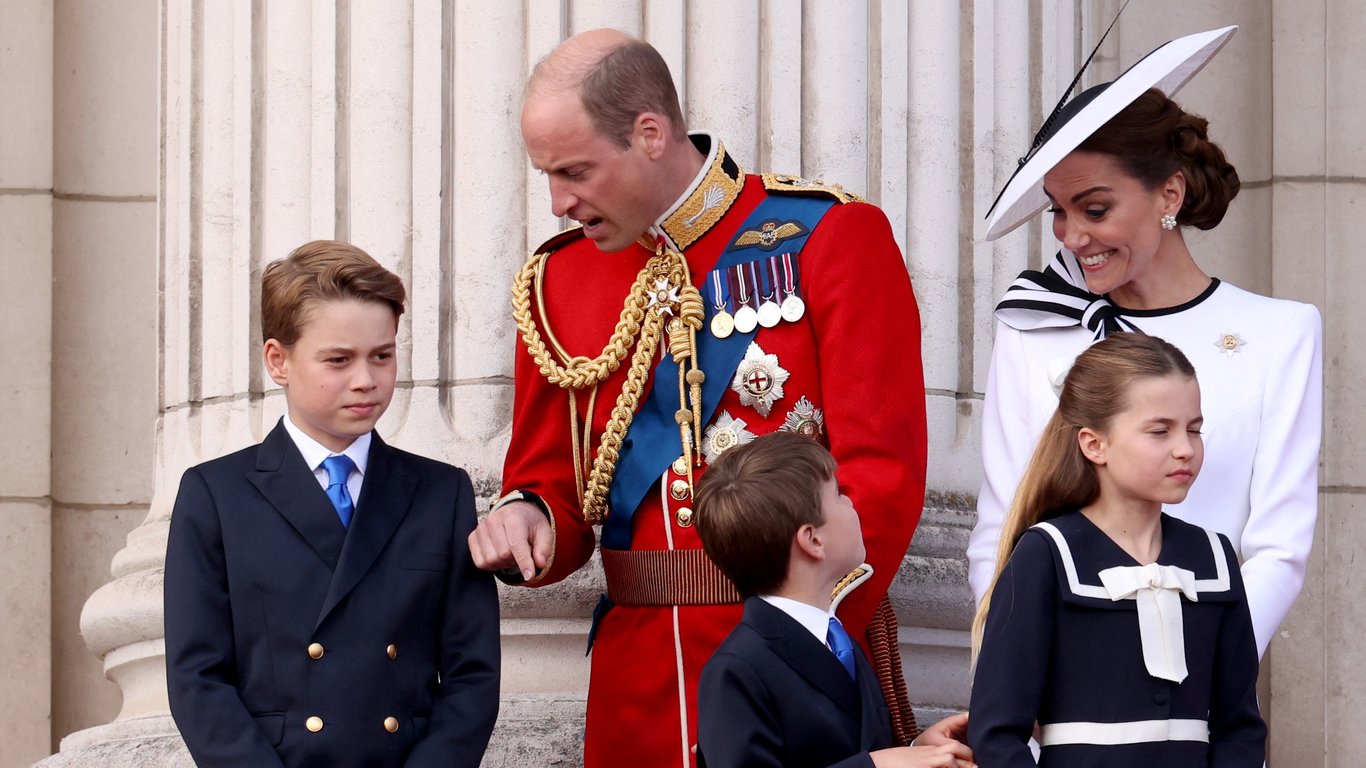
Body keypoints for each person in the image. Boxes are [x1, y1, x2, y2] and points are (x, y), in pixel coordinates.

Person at [467, 28, 927, 767]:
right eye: (546, 175)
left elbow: (883, 477)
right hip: (634, 688)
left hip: (789, 675)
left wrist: (807, 637)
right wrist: (528, 514)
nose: (558, 203)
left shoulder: (825, 237)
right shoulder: (558, 284)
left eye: (575, 170)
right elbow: (554, 479)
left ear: (650, 134)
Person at [967, 25, 1322, 658]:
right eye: (1058, 210)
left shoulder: (1281, 333)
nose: (1071, 236)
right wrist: (1021, 693)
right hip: (1058, 704)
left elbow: (1278, 549)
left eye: (1094, 209)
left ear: (1169, 194)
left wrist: (1193, 673)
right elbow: (1001, 533)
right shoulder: (1034, 328)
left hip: (1202, 697)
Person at [164, 240, 500, 768]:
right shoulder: (216, 495)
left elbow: (472, 676)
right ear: (279, 360)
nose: (366, 379)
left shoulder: (442, 493)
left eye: (382, 356)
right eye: (339, 360)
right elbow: (197, 677)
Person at [968, 332, 1266, 767]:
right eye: (1160, 431)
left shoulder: (1213, 557)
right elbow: (996, 734)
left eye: (1194, 430)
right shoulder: (1047, 554)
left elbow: (1239, 726)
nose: (1185, 449)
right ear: (1094, 444)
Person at [695, 431, 975, 768]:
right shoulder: (737, 670)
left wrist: (918, 750)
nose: (851, 502)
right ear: (812, 540)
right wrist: (876, 766)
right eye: (838, 494)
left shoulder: (841, 644)